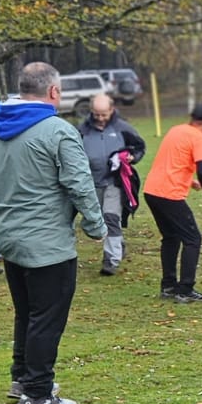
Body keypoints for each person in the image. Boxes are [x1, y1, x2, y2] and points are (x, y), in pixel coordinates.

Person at [0, 62, 106, 404]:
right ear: (54, 92)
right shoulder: (58, 131)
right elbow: (80, 184)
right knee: (46, 317)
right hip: (48, 244)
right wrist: (97, 226)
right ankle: (38, 394)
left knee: (27, 312)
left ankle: (23, 378)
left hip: (10, 240)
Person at [143, 103, 202, 303]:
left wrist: (190, 181)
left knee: (171, 237)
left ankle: (168, 286)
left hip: (152, 191)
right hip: (169, 194)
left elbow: (173, 162)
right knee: (193, 239)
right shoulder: (199, 138)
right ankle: (185, 289)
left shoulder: (176, 130)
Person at [77, 91, 146, 275]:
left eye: (104, 114)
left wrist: (132, 157)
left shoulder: (123, 128)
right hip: (91, 183)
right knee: (97, 219)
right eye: (97, 114)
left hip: (115, 181)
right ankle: (118, 244)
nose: (100, 118)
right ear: (91, 111)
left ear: (112, 109)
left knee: (111, 217)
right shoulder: (81, 130)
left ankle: (111, 260)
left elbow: (139, 148)